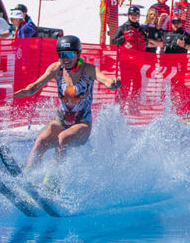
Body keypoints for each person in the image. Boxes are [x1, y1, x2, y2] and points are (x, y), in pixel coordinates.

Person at [14, 35, 121, 168]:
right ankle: (27, 173)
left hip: (82, 125)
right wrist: (25, 91)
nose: (65, 58)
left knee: (62, 138)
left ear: (78, 54)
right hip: (60, 120)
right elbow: (35, 86)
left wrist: (113, 84)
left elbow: (105, 80)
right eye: (62, 54)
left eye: (69, 54)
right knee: (41, 140)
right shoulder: (56, 68)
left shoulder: (88, 70)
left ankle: (53, 180)